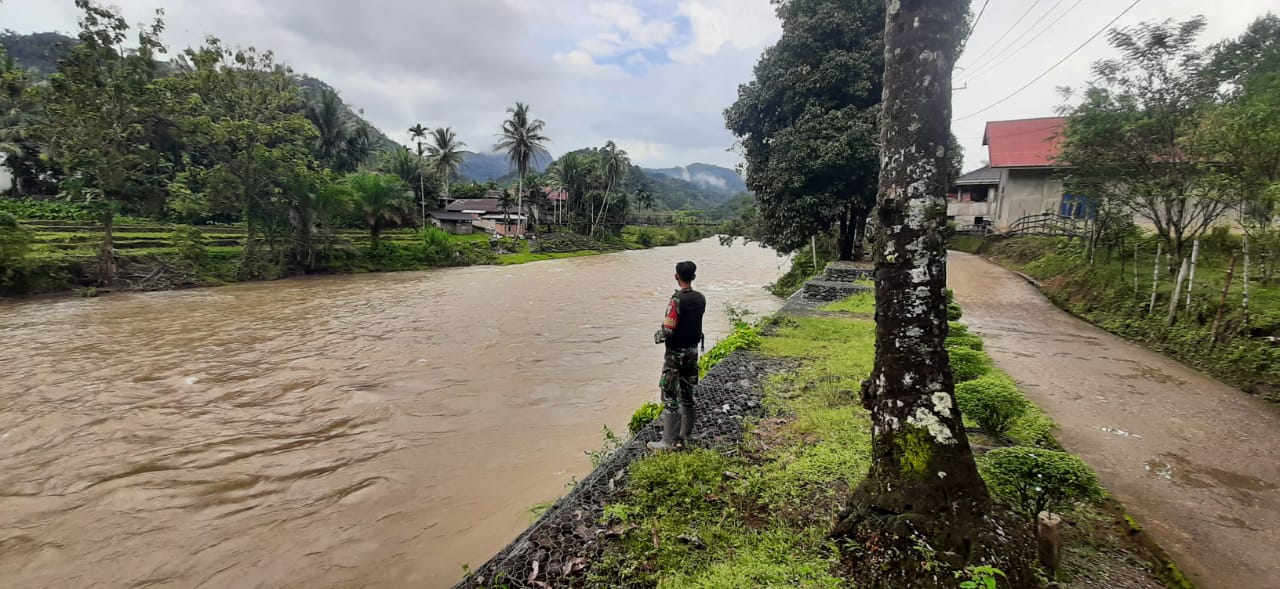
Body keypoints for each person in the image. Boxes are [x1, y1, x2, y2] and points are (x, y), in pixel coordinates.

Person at [648, 261, 706, 451]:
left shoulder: (676, 300)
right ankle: (685, 435)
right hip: (692, 352)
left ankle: (667, 442)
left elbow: (668, 330)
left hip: (675, 356)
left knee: (670, 394)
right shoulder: (700, 298)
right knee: (687, 393)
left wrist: (657, 336)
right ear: (693, 277)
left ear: (676, 276)